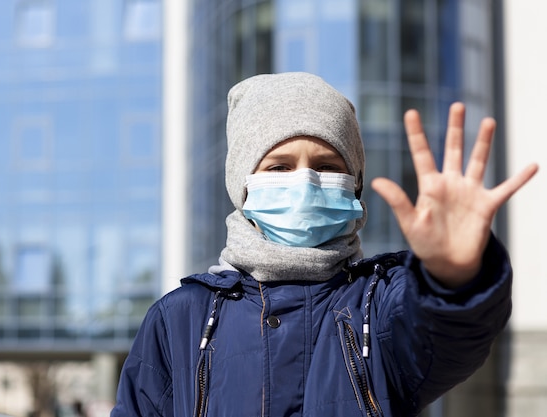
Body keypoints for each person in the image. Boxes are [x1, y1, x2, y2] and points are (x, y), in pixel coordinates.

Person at [110, 72, 538, 417]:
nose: (304, 181)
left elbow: (446, 337)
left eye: (327, 165)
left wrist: (452, 275)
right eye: (278, 167)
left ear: (354, 185)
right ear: (242, 185)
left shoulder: (380, 304)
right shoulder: (182, 317)